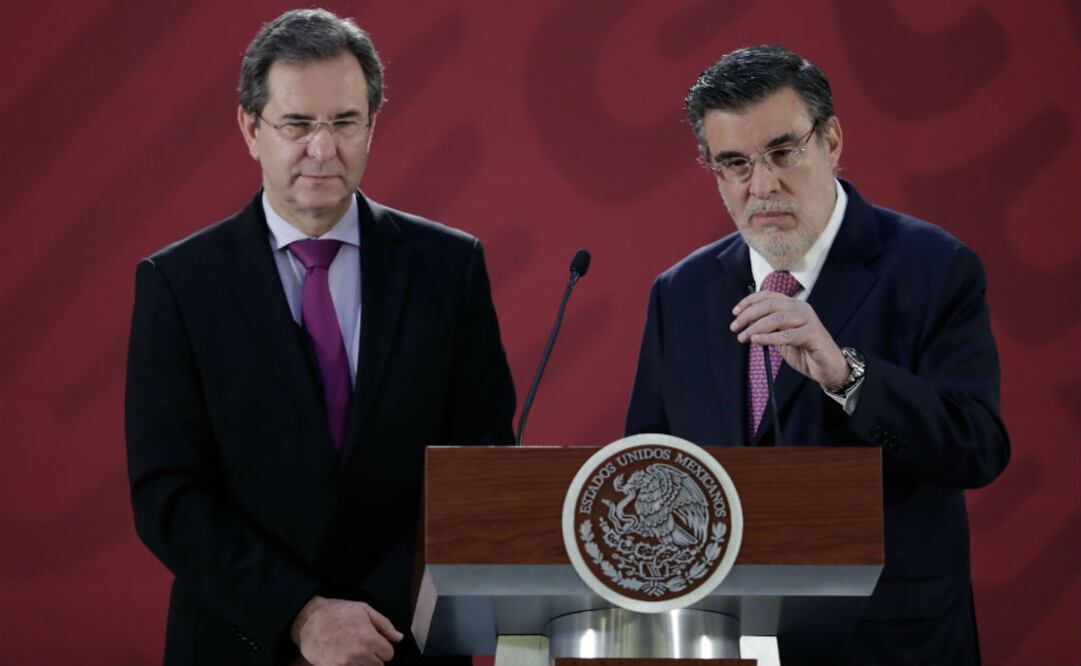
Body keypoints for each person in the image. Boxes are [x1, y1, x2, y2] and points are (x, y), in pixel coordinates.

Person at [125, 9, 515, 665]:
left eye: (344, 122)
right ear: (250, 129)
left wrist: (375, 616)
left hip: (404, 641)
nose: (322, 148)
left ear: (372, 127)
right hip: (241, 640)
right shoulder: (179, 283)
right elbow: (168, 493)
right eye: (297, 124)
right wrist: (301, 615)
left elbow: (482, 459)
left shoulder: (448, 267)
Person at [625, 45, 1009, 665]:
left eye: (782, 152)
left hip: (887, 645)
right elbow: (651, 466)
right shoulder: (681, 293)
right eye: (735, 164)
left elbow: (977, 447)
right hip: (721, 642)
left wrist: (847, 376)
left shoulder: (935, 267)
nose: (763, 186)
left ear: (830, 141)